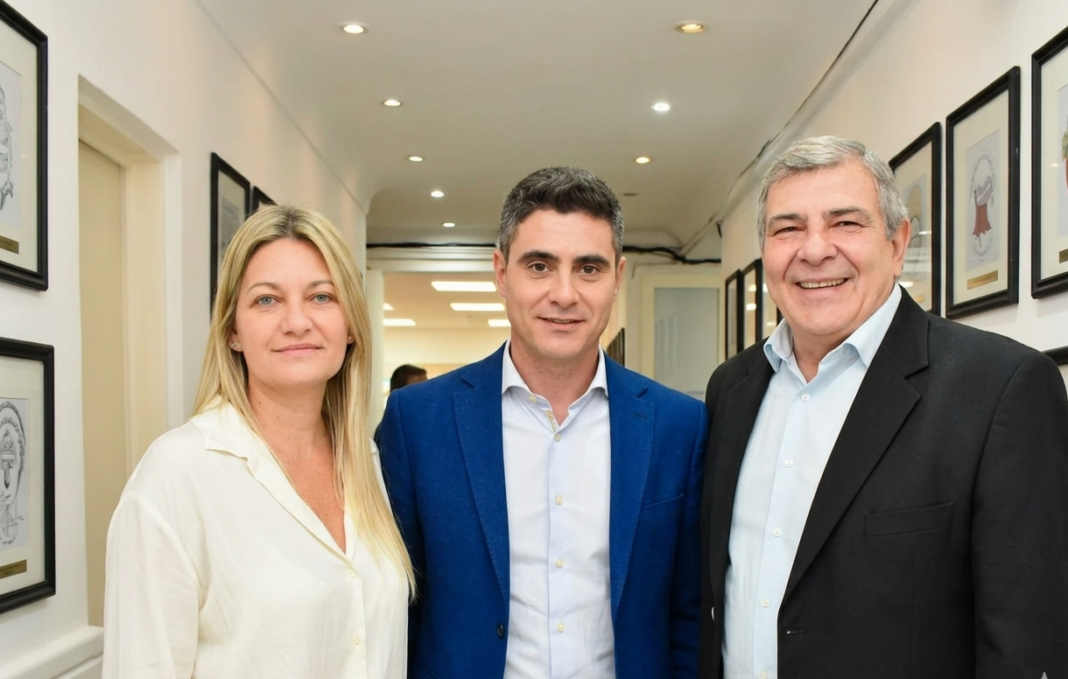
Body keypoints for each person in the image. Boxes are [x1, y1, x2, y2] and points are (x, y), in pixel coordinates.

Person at [700, 136, 1068, 678]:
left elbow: (1027, 640)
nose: (814, 250)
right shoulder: (731, 389)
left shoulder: (1001, 389)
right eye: (788, 229)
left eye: (846, 223)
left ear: (897, 245)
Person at [378, 167, 707, 679]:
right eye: (539, 266)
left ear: (617, 278)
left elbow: (689, 615)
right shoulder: (417, 421)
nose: (564, 293)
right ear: (501, 272)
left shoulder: (678, 426)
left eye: (589, 268)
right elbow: (396, 608)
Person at [102, 205, 413, 678]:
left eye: (322, 297)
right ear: (233, 331)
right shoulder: (177, 475)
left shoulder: (366, 462)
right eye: (267, 300)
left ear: (350, 325)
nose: (297, 321)